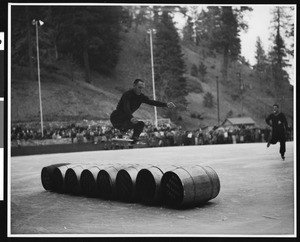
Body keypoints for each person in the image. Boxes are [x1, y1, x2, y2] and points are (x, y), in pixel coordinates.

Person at [110, 79, 176, 144]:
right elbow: (126, 107)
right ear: (134, 85)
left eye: (142, 88)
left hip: (126, 119)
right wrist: (131, 117)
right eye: (139, 87)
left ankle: (134, 138)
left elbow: (152, 102)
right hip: (116, 118)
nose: (140, 90)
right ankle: (122, 130)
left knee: (140, 124)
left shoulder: (141, 97)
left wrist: (166, 104)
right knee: (129, 121)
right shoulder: (127, 94)